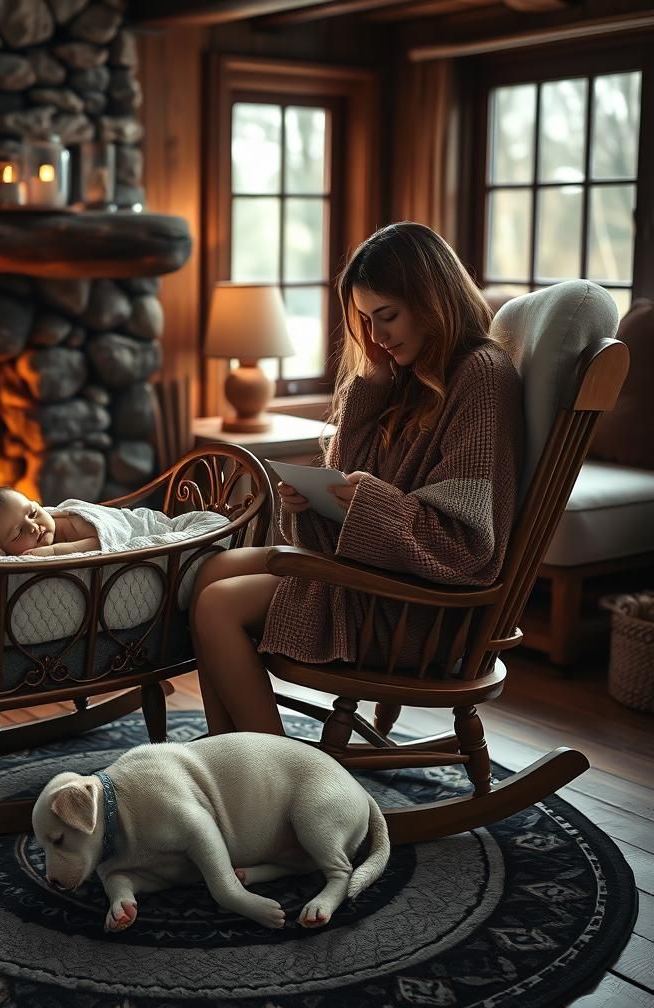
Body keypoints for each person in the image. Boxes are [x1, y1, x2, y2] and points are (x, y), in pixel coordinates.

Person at [189, 222, 525, 737]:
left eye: (387, 317)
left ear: (433, 300)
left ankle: (276, 777)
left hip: (418, 608)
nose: (377, 336)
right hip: (376, 578)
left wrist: (360, 502)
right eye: (366, 321)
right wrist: (368, 386)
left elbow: (465, 545)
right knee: (210, 571)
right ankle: (228, 753)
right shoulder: (404, 376)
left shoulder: (481, 373)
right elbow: (346, 470)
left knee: (217, 604)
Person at [0, 487, 101, 557]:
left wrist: (52, 551)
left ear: (37, 504)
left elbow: (100, 543)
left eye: (33, 513)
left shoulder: (73, 522)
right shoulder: (16, 554)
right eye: (18, 533)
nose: (33, 526)